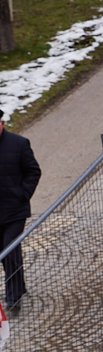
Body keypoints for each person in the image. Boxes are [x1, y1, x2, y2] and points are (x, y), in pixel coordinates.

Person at [0, 110, 41, 315]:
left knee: (10, 252)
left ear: (3, 123)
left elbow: (33, 171)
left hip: (15, 211)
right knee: (3, 254)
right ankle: (20, 286)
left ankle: (13, 299)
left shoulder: (19, 144)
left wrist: (22, 194)